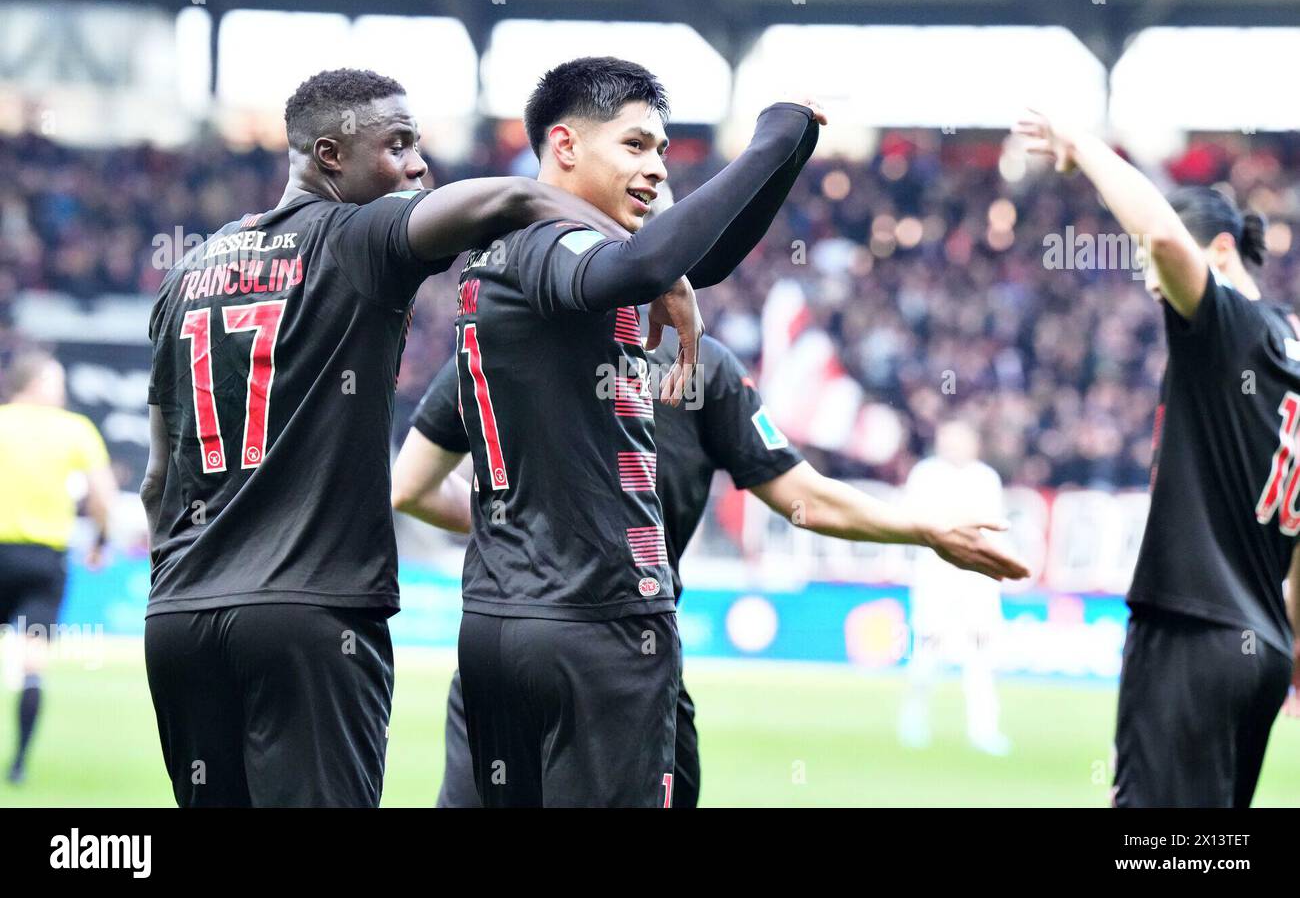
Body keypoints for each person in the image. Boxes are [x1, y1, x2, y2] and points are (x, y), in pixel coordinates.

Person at [140, 67, 669, 808]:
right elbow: (512, 197)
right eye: (397, 146)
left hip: (175, 622)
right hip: (308, 613)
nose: (418, 165)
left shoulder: (184, 275)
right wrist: (648, 265)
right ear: (330, 156)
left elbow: (155, 482)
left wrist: (187, 579)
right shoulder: (353, 238)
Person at [395, 332, 1027, 807]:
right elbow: (803, 498)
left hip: (505, 641)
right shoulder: (699, 370)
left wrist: (521, 523)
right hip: (627, 656)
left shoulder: (499, 342)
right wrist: (922, 530)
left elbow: (413, 488)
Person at [449, 56, 824, 806]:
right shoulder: (553, 247)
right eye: (635, 146)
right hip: (598, 622)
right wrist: (774, 131)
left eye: (661, 151)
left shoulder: (509, 250)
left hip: (501, 618)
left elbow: (695, 257)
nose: (655, 168)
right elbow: (649, 263)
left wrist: (789, 147)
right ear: (564, 146)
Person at [1018, 109, 1298, 807]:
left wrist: (1084, 146)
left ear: (1225, 253)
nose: (1150, 283)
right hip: (1265, 650)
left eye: (1147, 267)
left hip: (1194, 631)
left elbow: (1167, 241)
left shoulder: (1232, 329)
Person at [0, 351, 116, 784]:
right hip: (43, 562)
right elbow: (102, 495)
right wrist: (101, 541)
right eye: (56, 381)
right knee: (33, 663)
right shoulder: (74, 430)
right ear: (32, 383)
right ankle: (17, 765)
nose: (62, 390)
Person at [898, 419, 1012, 756]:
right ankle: (914, 720)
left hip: (976, 579)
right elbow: (914, 521)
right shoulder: (926, 474)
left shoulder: (985, 478)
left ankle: (984, 730)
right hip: (936, 576)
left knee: (982, 656)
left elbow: (994, 528)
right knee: (926, 651)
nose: (956, 447)